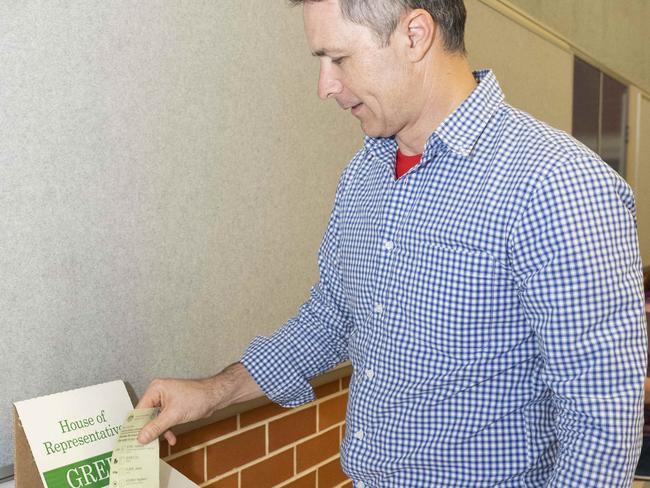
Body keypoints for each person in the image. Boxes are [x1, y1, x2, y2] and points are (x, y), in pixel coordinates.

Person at [137, 0, 647, 485]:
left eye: (339, 58)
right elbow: (332, 315)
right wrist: (213, 392)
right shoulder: (366, 172)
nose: (325, 85)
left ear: (415, 35)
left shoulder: (556, 184)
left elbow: (601, 422)